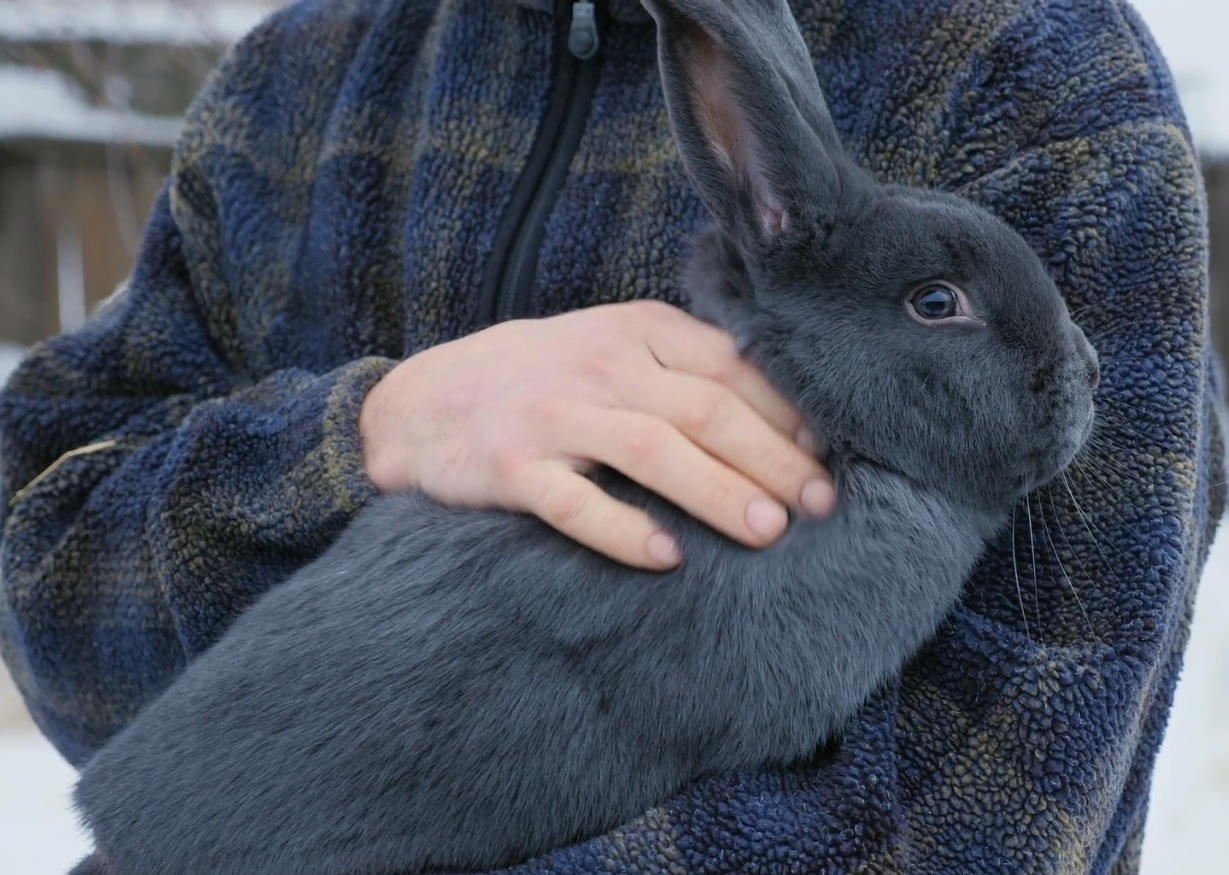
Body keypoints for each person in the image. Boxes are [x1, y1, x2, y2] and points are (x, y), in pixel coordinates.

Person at [0, 0, 1223, 872]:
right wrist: (360, 432)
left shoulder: (1040, 80)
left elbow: (996, 805)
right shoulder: (293, 83)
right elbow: (47, 562)